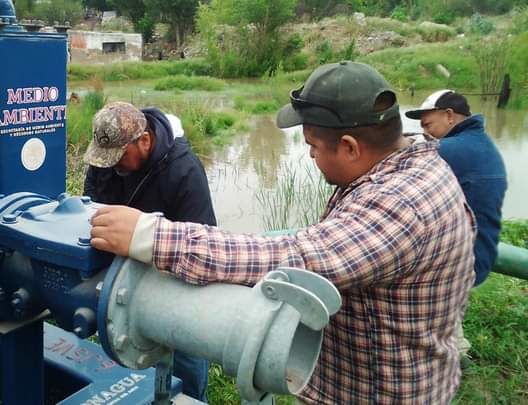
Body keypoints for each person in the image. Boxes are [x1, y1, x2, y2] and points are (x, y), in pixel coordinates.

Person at [89, 62, 476, 404]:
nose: (309, 155)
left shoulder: (401, 205)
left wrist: (151, 236)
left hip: (379, 390)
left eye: (311, 145)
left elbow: (295, 258)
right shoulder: (403, 168)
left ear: (350, 146)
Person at [83, 101, 215, 401]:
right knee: (127, 358)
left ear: (144, 141)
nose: (111, 165)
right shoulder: (106, 163)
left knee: (186, 360)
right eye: (105, 158)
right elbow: (90, 208)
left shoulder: (183, 171)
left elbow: (203, 241)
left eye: (119, 157)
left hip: (174, 282)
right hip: (121, 279)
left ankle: (191, 397)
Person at [406, 90, 507, 286]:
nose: (426, 134)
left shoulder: (446, 150)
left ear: (449, 115)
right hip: (480, 255)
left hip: (462, 264)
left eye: (428, 125)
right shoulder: (480, 143)